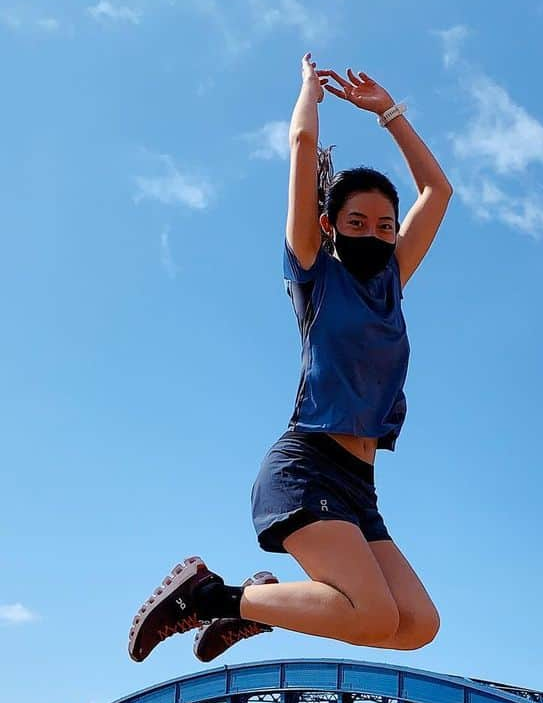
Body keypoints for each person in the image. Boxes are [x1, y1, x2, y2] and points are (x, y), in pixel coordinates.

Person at [129, 54, 452, 665]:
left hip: (360, 485)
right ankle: (210, 595)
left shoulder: (390, 283)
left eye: (386, 226)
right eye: (358, 221)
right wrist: (310, 93)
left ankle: (252, 601)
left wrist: (389, 112)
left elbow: (437, 192)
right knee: (374, 611)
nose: (377, 233)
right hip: (307, 465)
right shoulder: (315, 273)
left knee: (415, 624)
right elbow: (303, 142)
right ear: (330, 225)